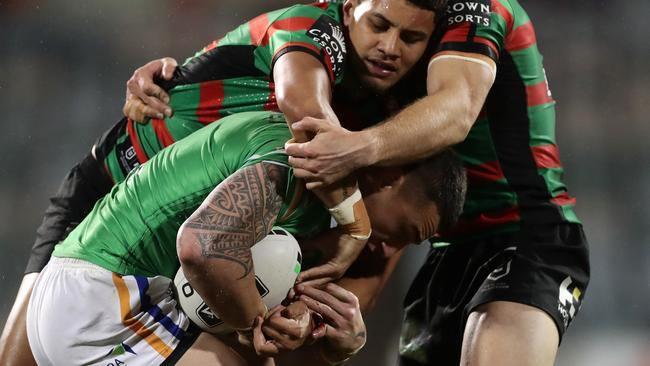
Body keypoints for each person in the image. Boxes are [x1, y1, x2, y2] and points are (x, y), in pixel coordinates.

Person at [128, 0, 590, 365]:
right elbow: (284, 45)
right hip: (441, 248)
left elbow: (457, 111)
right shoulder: (372, 43)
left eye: (409, 36)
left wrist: (356, 148)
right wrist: (182, 78)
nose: (392, 44)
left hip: (528, 236)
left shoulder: (476, 11)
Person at [0, 0, 442, 364]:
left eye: (410, 37)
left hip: (181, 246)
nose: (390, 46)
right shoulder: (311, 31)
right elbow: (305, 117)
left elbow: (344, 289)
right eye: (380, 25)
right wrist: (355, 224)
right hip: (113, 190)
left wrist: (314, 325)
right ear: (349, 10)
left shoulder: (390, 132)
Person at [26, 110, 466, 365]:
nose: (389, 246)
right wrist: (259, 321)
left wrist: (326, 340)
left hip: (87, 294)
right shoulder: (298, 164)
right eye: (405, 231)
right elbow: (202, 248)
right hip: (100, 300)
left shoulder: (317, 203)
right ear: (391, 175)